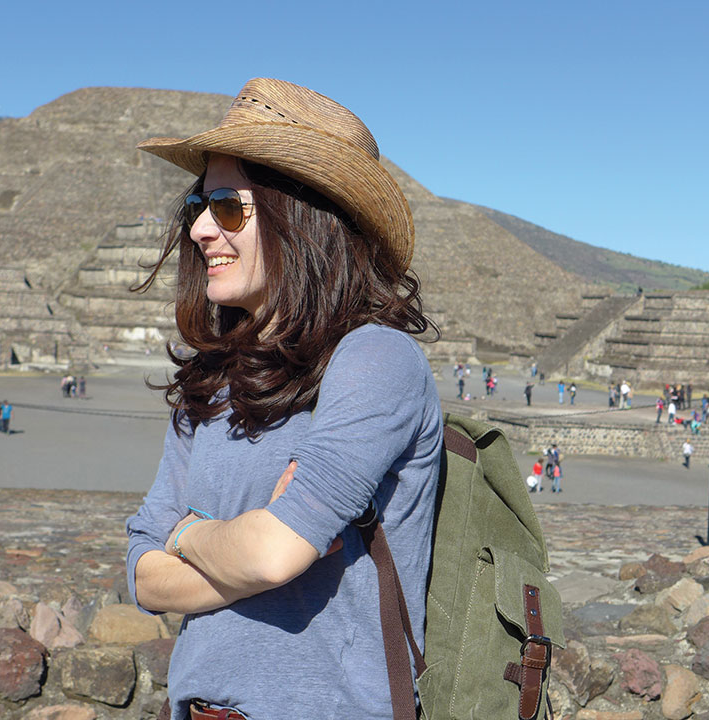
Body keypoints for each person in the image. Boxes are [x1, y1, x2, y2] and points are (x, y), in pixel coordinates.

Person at [124, 78, 442, 720]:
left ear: (301, 214)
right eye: (198, 206)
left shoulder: (375, 359)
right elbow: (142, 575)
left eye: (227, 206)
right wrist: (231, 542)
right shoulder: (211, 379)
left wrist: (186, 534)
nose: (201, 231)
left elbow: (273, 555)